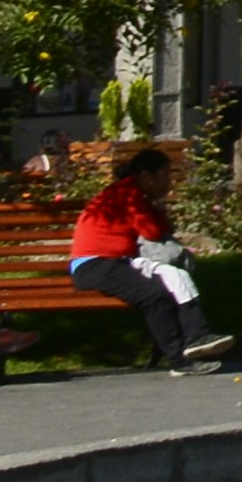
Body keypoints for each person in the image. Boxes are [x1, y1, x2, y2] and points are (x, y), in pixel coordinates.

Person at [69, 141, 225, 369]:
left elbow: (160, 228)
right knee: (154, 296)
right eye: (164, 175)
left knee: (169, 284)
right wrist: (157, 209)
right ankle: (180, 360)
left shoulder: (132, 193)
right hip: (94, 265)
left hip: (111, 263)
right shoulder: (129, 193)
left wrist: (156, 209)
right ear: (146, 176)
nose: (169, 182)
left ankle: (195, 340)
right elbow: (151, 231)